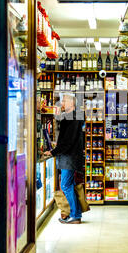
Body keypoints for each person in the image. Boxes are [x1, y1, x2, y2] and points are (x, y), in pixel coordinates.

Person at [44, 93, 84, 224]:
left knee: (65, 185)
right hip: (70, 156)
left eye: (64, 101)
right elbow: (68, 140)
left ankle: (75, 215)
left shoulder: (72, 118)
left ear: (72, 103)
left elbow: (68, 141)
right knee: (69, 184)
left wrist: (54, 152)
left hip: (69, 158)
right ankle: (74, 213)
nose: (62, 104)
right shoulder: (71, 117)